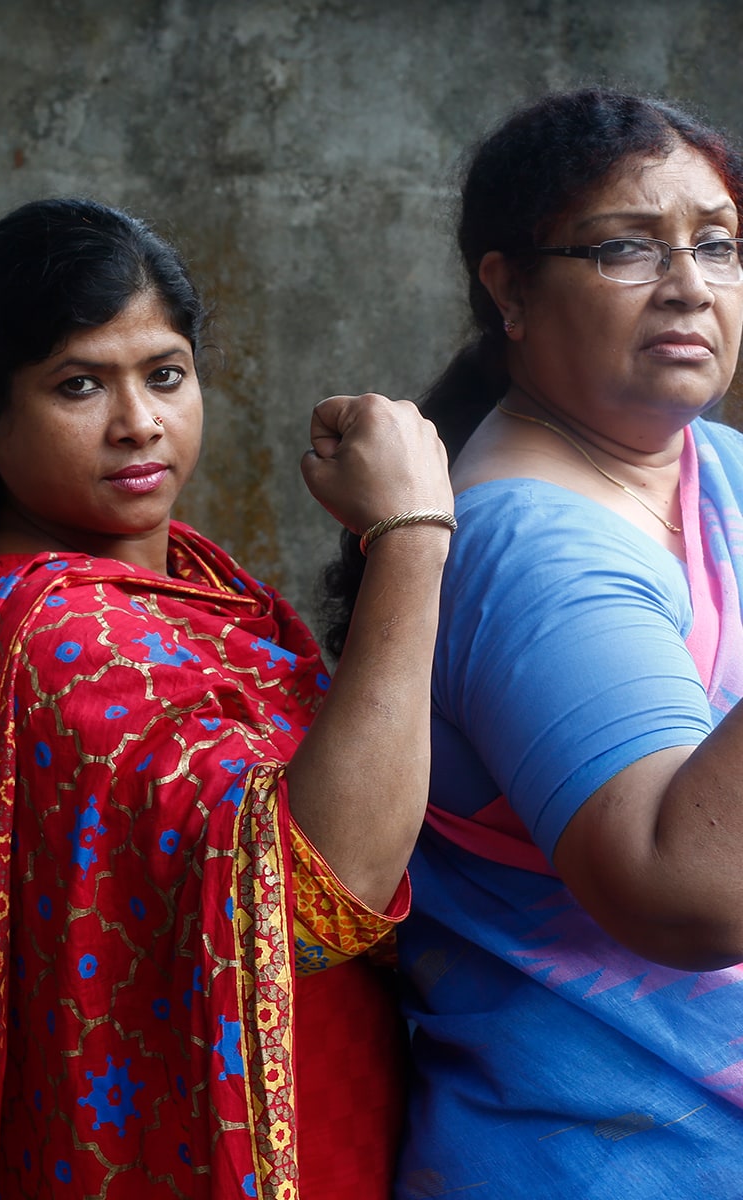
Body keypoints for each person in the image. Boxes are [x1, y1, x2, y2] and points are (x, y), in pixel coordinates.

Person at [0, 197, 454, 1199]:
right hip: (218, 1147)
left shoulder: (194, 580)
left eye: (165, 374)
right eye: (78, 385)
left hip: (331, 1102)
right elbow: (322, 889)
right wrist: (409, 537)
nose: (138, 422)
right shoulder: (60, 638)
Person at [322, 87, 743, 1196]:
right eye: (626, 248)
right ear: (509, 289)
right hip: (609, 1153)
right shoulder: (530, 545)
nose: (690, 284)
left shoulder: (710, 468)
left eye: (716, 244)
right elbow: (686, 890)